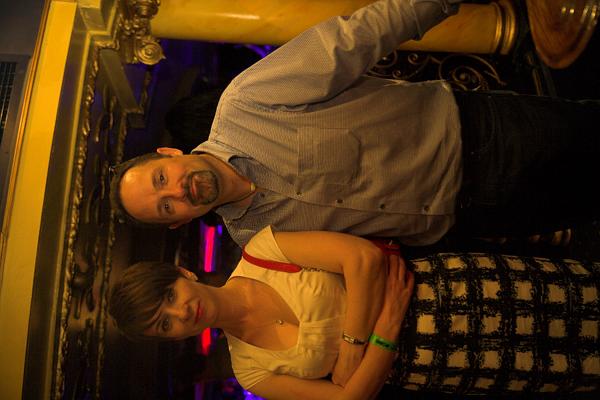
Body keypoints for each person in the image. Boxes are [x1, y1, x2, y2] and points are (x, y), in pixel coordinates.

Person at [109, 0, 600, 248]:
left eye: (161, 178)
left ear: (169, 155)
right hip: (476, 218)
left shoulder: (246, 103)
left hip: (487, 138)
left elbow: (354, 40)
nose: (177, 190)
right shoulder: (256, 241)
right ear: (178, 221)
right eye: (166, 205)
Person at [110, 227, 600, 398]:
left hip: (447, 291)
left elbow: (362, 258)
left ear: (184, 274)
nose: (181, 312)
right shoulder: (250, 371)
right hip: (437, 364)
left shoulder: (262, 251)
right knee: (572, 369)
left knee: (578, 296)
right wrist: (383, 328)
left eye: (169, 296)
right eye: (165, 324)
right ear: (172, 339)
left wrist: (353, 352)